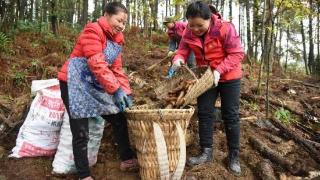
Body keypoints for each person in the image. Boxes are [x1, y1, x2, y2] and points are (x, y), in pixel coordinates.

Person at [57, 2, 137, 179]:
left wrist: (125, 92)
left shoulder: (117, 39)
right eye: (119, 20)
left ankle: (127, 158)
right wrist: (115, 90)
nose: (121, 25)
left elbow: (116, 69)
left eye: (124, 23)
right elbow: (96, 63)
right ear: (106, 14)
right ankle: (83, 174)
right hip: (73, 84)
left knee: (118, 117)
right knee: (80, 131)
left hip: (94, 84)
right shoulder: (92, 30)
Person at [170, 1, 244, 176]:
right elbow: (182, 49)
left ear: (209, 19)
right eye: (191, 25)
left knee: (231, 115)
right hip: (205, 78)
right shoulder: (188, 31)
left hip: (228, 76)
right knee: (204, 112)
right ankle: (206, 152)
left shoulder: (225, 29)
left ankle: (234, 156)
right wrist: (178, 59)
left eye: (199, 25)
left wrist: (219, 70)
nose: (195, 29)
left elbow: (237, 53)